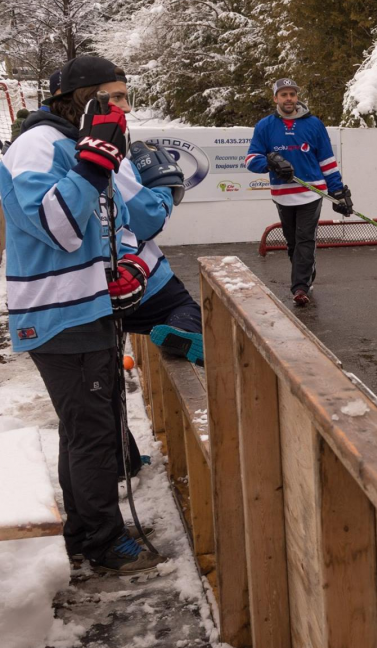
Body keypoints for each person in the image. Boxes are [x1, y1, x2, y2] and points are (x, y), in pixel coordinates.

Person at [0, 55, 168, 573]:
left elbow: (116, 224)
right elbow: (59, 227)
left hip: (87, 310)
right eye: (112, 96)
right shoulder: (38, 145)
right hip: (59, 318)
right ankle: (103, 543)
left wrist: (129, 266)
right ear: (82, 97)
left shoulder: (84, 142)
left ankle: (83, 531)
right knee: (93, 433)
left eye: (126, 96)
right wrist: (93, 163)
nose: (123, 107)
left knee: (87, 429)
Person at [245, 78, 351, 307]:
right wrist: (271, 163)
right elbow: (251, 160)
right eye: (283, 94)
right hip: (282, 194)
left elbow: (327, 161)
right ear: (276, 98)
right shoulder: (265, 126)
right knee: (292, 242)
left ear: (297, 97)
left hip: (311, 193)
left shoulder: (314, 124)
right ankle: (305, 275)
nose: (289, 98)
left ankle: (300, 287)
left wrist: (337, 191)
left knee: (305, 238)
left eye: (292, 94)